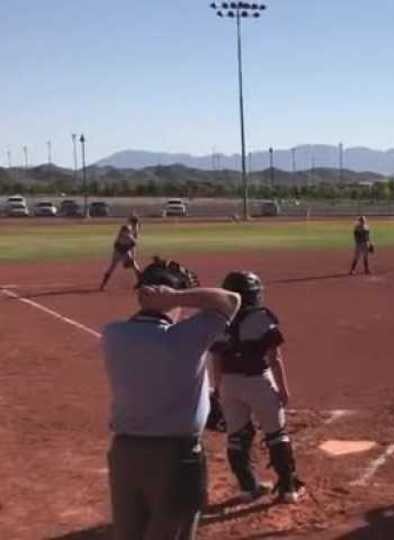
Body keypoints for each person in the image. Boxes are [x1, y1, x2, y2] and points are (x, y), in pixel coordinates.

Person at [101, 257, 240, 540]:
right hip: (174, 457)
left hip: (124, 454)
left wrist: (158, 298)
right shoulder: (187, 337)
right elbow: (231, 300)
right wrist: (175, 297)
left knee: (129, 534)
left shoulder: (113, 334)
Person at [211, 271, 304, 504]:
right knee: (276, 433)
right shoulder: (262, 317)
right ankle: (288, 488)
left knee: (237, 436)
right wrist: (283, 389)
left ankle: (247, 488)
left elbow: (217, 360)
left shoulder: (218, 319)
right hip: (258, 381)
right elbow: (275, 357)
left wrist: (219, 388)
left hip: (230, 384)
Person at [100, 215, 142, 290]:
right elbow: (131, 241)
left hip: (124, 251)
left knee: (134, 266)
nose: (136, 225)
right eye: (135, 223)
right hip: (119, 251)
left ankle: (141, 283)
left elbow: (133, 245)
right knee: (112, 267)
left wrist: (133, 256)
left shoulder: (133, 232)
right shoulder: (126, 231)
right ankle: (103, 285)